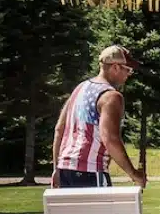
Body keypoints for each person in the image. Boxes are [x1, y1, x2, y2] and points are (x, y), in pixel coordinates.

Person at [51, 45, 146, 189]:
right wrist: (134, 174)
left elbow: (59, 129)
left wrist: (56, 169)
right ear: (115, 67)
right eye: (128, 69)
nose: (129, 74)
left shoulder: (80, 88)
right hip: (90, 171)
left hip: (65, 170)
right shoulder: (111, 96)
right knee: (102, 212)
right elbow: (110, 139)